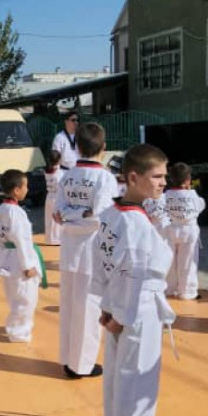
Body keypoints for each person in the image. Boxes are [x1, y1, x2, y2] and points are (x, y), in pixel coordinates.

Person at [93, 144, 175, 416]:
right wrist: (122, 315)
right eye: (156, 176)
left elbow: (102, 263)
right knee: (137, 377)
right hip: (137, 308)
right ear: (133, 177)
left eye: (164, 176)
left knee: (117, 376)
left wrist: (106, 305)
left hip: (120, 304)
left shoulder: (111, 215)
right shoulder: (135, 224)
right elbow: (132, 273)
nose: (163, 182)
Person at [54, 122, 118, 379]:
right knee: (88, 309)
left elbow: (59, 213)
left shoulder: (67, 176)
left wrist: (73, 215)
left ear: (77, 147)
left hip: (70, 247)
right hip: (92, 251)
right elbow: (100, 216)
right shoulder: (105, 178)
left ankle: (68, 359)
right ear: (103, 148)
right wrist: (84, 213)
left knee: (70, 306)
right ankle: (81, 365)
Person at [0, 169, 44, 343]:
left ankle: (19, 327)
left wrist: (3, 252)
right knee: (25, 299)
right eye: (25, 186)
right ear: (16, 190)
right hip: (20, 260)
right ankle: (18, 332)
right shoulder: (16, 212)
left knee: (15, 297)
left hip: (8, 258)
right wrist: (28, 265)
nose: (27, 190)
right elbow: (21, 240)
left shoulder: (1, 208)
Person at [163, 163, 205, 300]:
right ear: (188, 180)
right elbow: (200, 206)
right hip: (188, 231)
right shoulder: (192, 194)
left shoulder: (166, 195)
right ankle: (187, 291)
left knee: (169, 260)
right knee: (188, 261)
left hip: (170, 229)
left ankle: (169, 288)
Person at [43, 149, 63, 246]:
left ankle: (49, 239)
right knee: (57, 218)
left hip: (49, 195)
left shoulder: (47, 171)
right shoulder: (59, 172)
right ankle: (56, 239)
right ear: (59, 160)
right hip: (57, 196)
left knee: (49, 218)